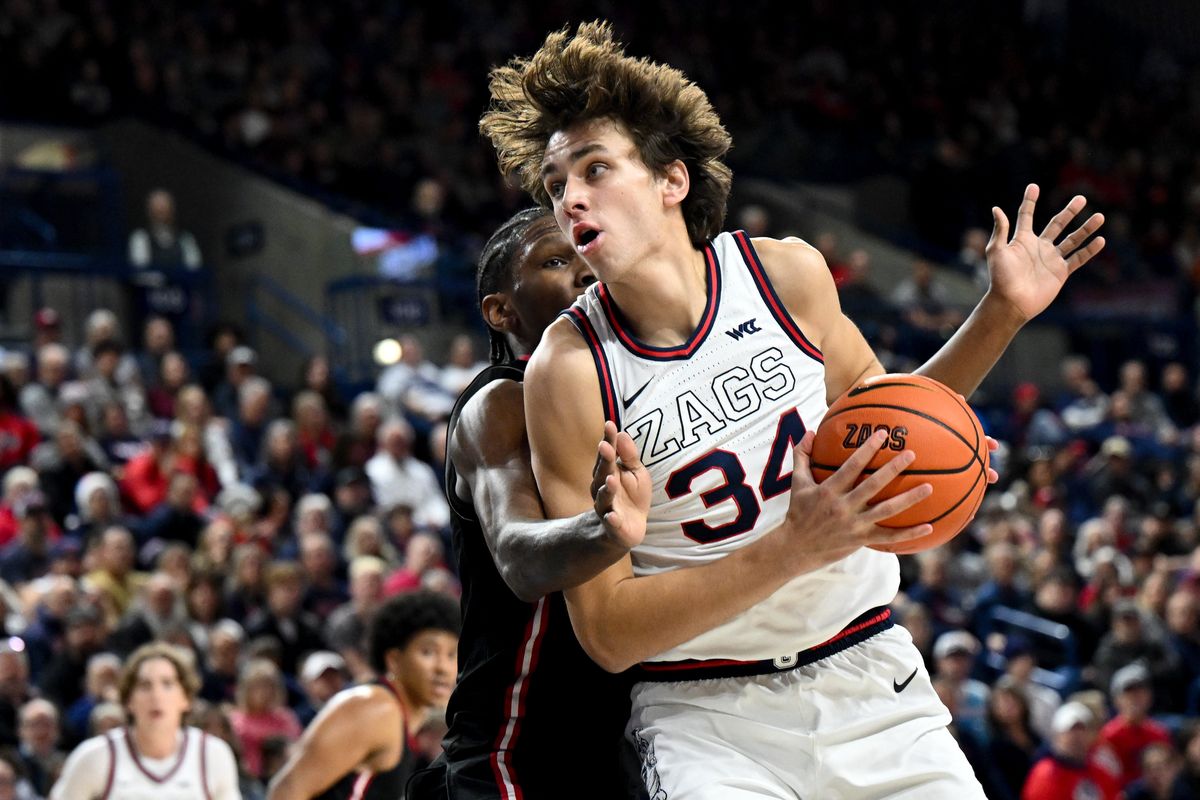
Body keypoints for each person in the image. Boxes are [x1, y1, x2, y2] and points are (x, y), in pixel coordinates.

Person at [480, 21, 1106, 798]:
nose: (569, 196)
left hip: (871, 679)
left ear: (671, 181)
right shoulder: (566, 373)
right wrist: (790, 550)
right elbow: (606, 635)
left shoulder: (784, 276)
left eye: (595, 168)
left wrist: (1001, 313)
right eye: (555, 185)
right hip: (706, 719)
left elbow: (900, 423)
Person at [407, 208, 654, 800]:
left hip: (620, 741)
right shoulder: (500, 401)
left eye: (587, 253)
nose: (583, 271)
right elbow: (520, 558)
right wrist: (608, 531)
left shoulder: (633, 394)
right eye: (554, 260)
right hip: (516, 747)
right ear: (501, 311)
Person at [265, 590, 459, 800]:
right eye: (428, 652)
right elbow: (285, 792)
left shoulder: (400, 718)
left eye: (451, 654)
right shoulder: (375, 708)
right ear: (394, 659)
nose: (443, 668)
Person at [50, 641, 241, 799]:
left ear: (186, 699)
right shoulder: (94, 757)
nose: (156, 696)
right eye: (144, 685)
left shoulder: (212, 754)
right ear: (128, 701)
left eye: (167, 684)